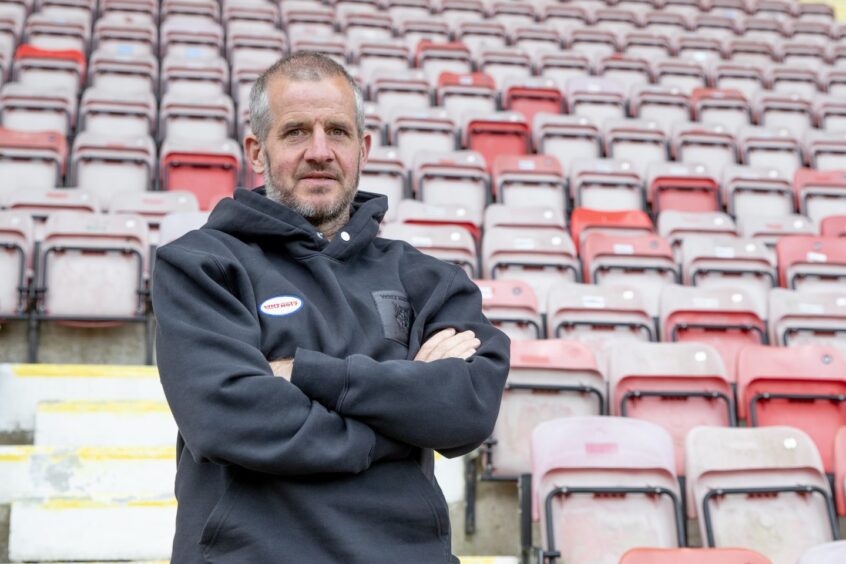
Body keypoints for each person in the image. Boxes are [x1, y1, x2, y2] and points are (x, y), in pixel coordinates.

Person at [152, 51, 510, 563]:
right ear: (257, 151)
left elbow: (467, 409)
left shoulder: (427, 279)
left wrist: (305, 373)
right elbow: (228, 419)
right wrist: (400, 416)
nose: (319, 151)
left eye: (337, 132)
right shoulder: (200, 264)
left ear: (362, 148)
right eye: (296, 131)